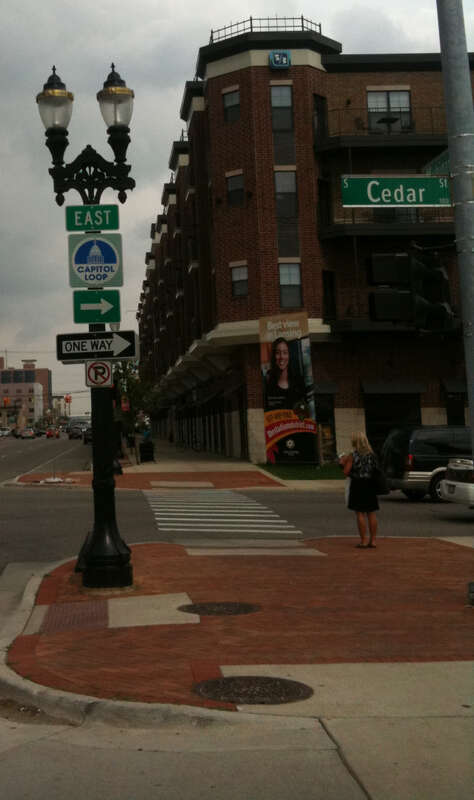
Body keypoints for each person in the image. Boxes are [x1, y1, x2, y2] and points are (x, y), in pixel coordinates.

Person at [341, 432, 379, 548]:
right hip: (370, 484)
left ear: (355, 442)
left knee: (360, 512)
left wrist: (342, 464)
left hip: (358, 484)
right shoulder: (372, 455)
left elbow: (346, 472)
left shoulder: (353, 455)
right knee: (371, 512)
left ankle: (363, 540)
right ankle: (373, 541)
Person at [264, 337, 306, 411]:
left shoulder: (299, 381)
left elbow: (304, 411)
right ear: (273, 356)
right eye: (277, 353)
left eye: (285, 353)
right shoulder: (267, 383)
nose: (282, 357)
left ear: (289, 356)